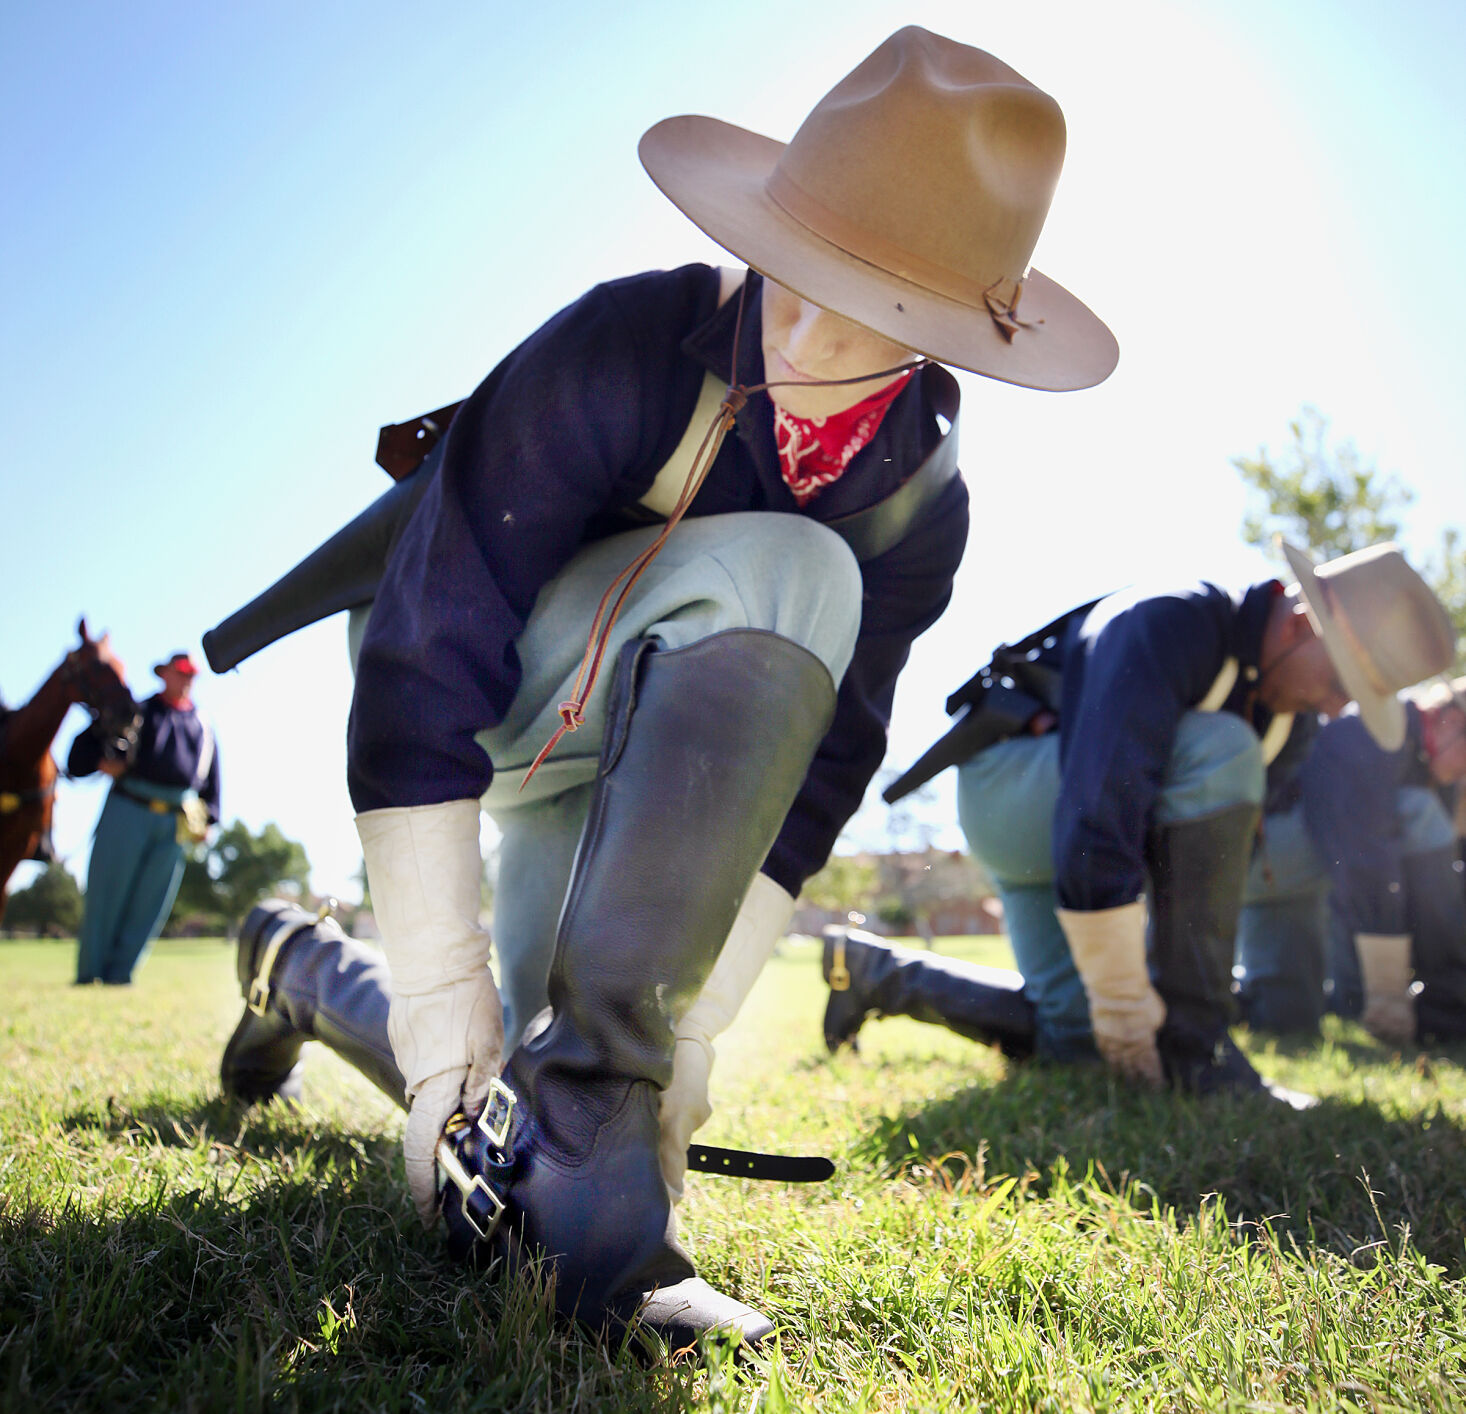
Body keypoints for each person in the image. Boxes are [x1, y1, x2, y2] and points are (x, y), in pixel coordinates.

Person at [211, 28, 1118, 1351]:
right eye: (793, 265)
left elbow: (822, 766)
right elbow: (426, 643)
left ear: (941, 338)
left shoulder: (923, 511)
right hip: (484, 698)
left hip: (659, 763)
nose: (795, 319)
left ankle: (296, 966)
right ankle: (601, 1229)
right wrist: (437, 1002)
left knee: (523, 1082)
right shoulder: (625, 339)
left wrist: (687, 1033)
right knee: (797, 570)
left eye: (862, 299)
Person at [824, 542, 1456, 1102]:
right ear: (1300, 622)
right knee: (1221, 746)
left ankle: (873, 973)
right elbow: (1100, 808)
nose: (1335, 707)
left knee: (1076, 1035)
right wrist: (1131, 1009)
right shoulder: (1168, 619)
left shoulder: (1291, 717)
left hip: (1082, 826)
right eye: (1341, 681)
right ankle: (1197, 1048)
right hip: (1017, 794)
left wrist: (1122, 1012)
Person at [1235, 674, 1466, 1042]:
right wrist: (1388, 993)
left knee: (1287, 1017)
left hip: (1294, 887)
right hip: (1258, 857)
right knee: (1414, 812)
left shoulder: (1426, 764)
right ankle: (1449, 1005)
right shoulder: (1370, 728)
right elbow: (1363, 863)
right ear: (1451, 721)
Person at [69, 651, 219, 985]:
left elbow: (211, 780)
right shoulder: (138, 711)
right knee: (107, 894)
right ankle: (89, 973)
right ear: (164, 673)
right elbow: (80, 753)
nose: (187, 680)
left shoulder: (203, 724)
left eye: (192, 675)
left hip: (175, 819)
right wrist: (99, 762)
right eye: (181, 672)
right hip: (129, 807)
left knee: (151, 902)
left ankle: (120, 975)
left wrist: (209, 820)